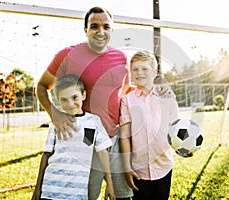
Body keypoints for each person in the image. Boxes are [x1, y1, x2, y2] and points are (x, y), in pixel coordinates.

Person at [36, 6, 172, 200]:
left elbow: (124, 92)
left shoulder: (120, 58)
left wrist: (157, 90)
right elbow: (41, 86)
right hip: (87, 141)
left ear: (112, 30)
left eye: (106, 27)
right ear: (85, 30)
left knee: (122, 195)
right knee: (89, 196)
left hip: (115, 138)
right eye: (94, 26)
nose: (100, 32)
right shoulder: (67, 55)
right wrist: (55, 114)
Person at [32, 74, 115, 200]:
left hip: (77, 193)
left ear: (84, 95)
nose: (70, 104)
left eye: (74, 97)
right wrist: (38, 188)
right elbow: (46, 155)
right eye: (63, 100)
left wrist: (110, 184)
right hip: (50, 190)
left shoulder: (93, 121)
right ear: (58, 100)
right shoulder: (56, 123)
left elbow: (103, 153)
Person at [119, 50, 180, 200]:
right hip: (138, 170)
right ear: (130, 73)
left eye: (144, 69)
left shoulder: (167, 98)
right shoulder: (127, 101)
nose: (139, 73)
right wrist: (127, 167)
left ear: (154, 72)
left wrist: (183, 149)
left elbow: (176, 131)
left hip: (163, 167)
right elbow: (125, 137)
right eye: (135, 69)